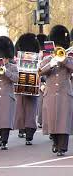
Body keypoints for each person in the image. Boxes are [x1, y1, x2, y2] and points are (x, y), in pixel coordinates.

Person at [40, 25, 73, 156]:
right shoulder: (47, 60)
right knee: (52, 121)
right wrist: (51, 63)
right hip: (51, 94)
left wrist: (63, 59)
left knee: (63, 121)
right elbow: (40, 72)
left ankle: (62, 147)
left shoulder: (68, 58)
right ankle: (55, 142)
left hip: (64, 93)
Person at [0, 36, 19, 150]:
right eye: (1, 58)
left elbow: (16, 79)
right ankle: (0, 137)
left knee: (6, 121)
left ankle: (4, 140)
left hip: (7, 97)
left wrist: (6, 72)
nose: (3, 60)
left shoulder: (12, 67)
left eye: (5, 58)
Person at [14, 33, 40, 145]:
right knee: (20, 110)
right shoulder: (17, 61)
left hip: (32, 88)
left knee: (30, 111)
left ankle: (29, 133)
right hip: (20, 87)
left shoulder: (38, 61)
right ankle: (21, 128)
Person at [36, 34, 48, 128]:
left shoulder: (46, 55)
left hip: (47, 79)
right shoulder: (37, 56)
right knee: (40, 102)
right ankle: (41, 120)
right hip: (40, 80)